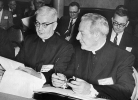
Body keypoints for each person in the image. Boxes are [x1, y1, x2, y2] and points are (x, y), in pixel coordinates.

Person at [52, 13, 135, 100]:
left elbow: (126, 90)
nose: (77, 37)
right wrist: (63, 81)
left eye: (82, 33)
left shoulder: (122, 57)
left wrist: (91, 89)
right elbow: (69, 76)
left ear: (96, 35)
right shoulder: (78, 51)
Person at [16, 6, 74, 84]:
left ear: (54, 25)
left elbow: (60, 75)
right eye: (37, 23)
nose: (39, 28)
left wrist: (38, 75)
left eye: (45, 24)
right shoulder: (28, 40)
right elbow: (19, 63)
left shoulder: (65, 47)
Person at [107, 5, 138, 70]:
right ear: (112, 20)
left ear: (127, 24)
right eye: (115, 23)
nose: (118, 27)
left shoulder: (134, 41)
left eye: (122, 24)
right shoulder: (104, 35)